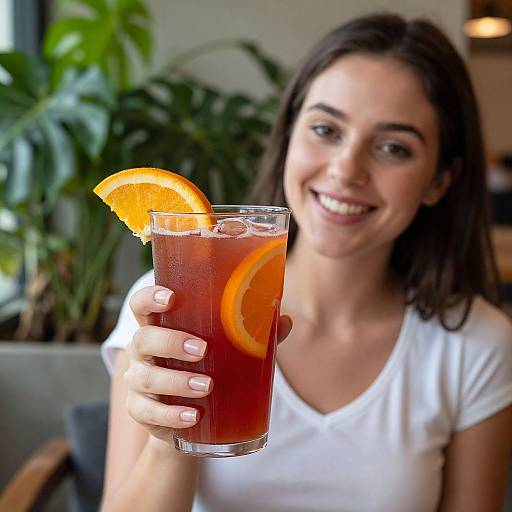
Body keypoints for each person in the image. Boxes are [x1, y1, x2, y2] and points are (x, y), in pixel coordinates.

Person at [100, 13, 512, 512]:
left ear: (439, 182)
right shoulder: (171, 303)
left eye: (392, 147)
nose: (345, 170)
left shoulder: (476, 344)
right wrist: (170, 442)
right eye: (325, 129)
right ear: (289, 136)